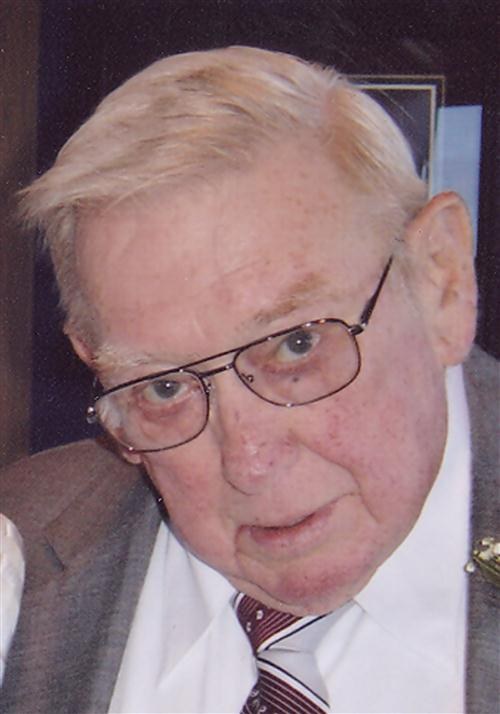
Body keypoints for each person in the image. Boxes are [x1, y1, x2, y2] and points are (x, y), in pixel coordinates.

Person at [0, 46, 498, 714]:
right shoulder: (20, 545)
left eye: (296, 345)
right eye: (164, 387)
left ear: (442, 280)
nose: (250, 462)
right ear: (95, 363)